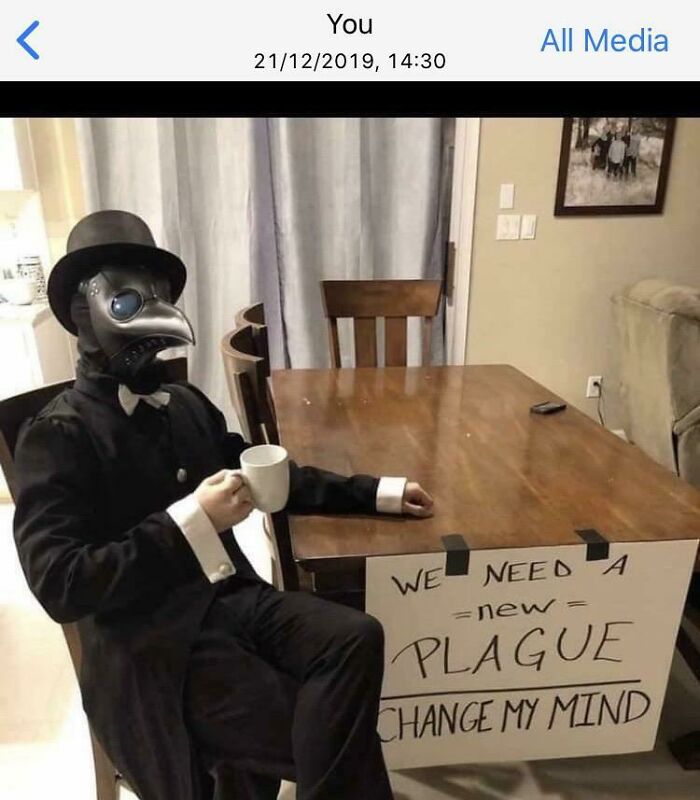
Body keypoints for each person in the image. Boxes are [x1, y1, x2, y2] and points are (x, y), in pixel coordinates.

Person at [12, 211, 435, 800]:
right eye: (130, 296)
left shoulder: (184, 402)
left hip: (232, 598)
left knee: (356, 637)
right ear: (84, 312)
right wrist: (192, 522)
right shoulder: (56, 436)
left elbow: (263, 473)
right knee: (329, 728)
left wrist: (374, 491)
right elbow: (60, 584)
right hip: (152, 648)